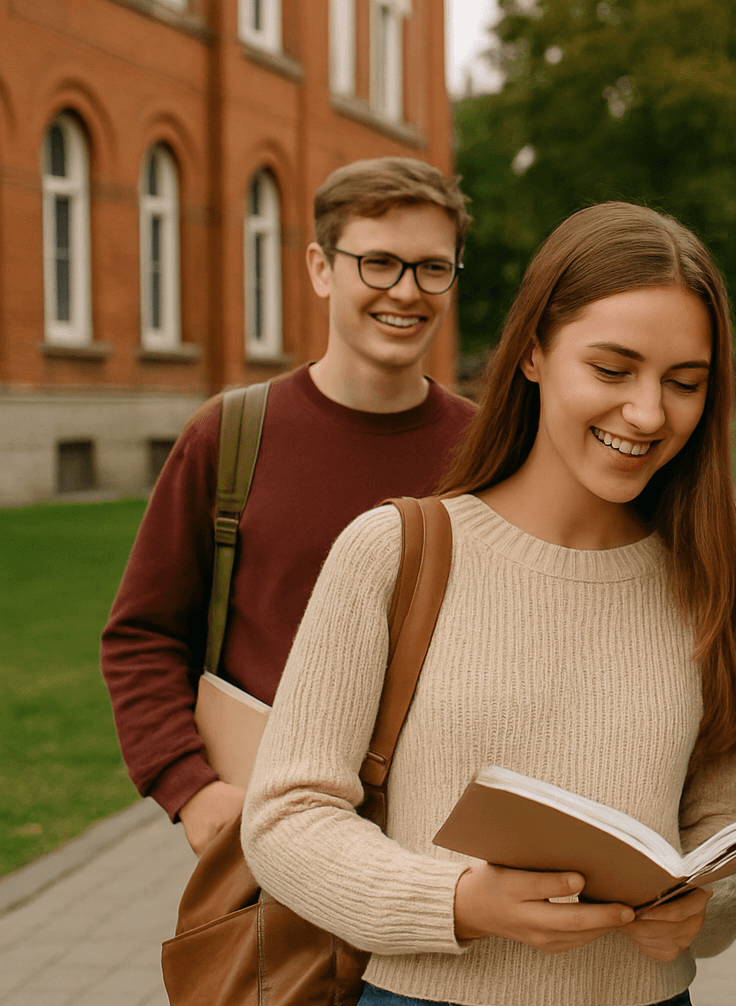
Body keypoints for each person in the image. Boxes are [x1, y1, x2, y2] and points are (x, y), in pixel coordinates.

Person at [240, 201, 736, 1006]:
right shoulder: (393, 552)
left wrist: (706, 906)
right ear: (532, 352)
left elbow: (724, 817)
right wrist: (460, 900)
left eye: (683, 383)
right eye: (612, 368)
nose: (647, 412)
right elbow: (285, 818)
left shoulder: (726, 594)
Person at [101, 156, 477, 854]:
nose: (407, 291)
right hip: (270, 848)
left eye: (432, 268)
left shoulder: (489, 452)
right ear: (320, 267)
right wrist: (192, 790)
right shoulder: (230, 435)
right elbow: (142, 636)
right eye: (379, 263)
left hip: (440, 853)